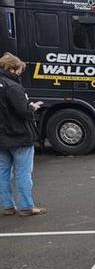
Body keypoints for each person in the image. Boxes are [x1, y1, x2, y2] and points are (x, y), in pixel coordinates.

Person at [0, 52, 46, 216]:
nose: (20, 73)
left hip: (1, 137)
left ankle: (7, 206)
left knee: (3, 172)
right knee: (23, 172)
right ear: (12, 69)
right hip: (19, 136)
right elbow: (23, 111)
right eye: (19, 70)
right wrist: (32, 107)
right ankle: (26, 206)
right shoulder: (13, 87)